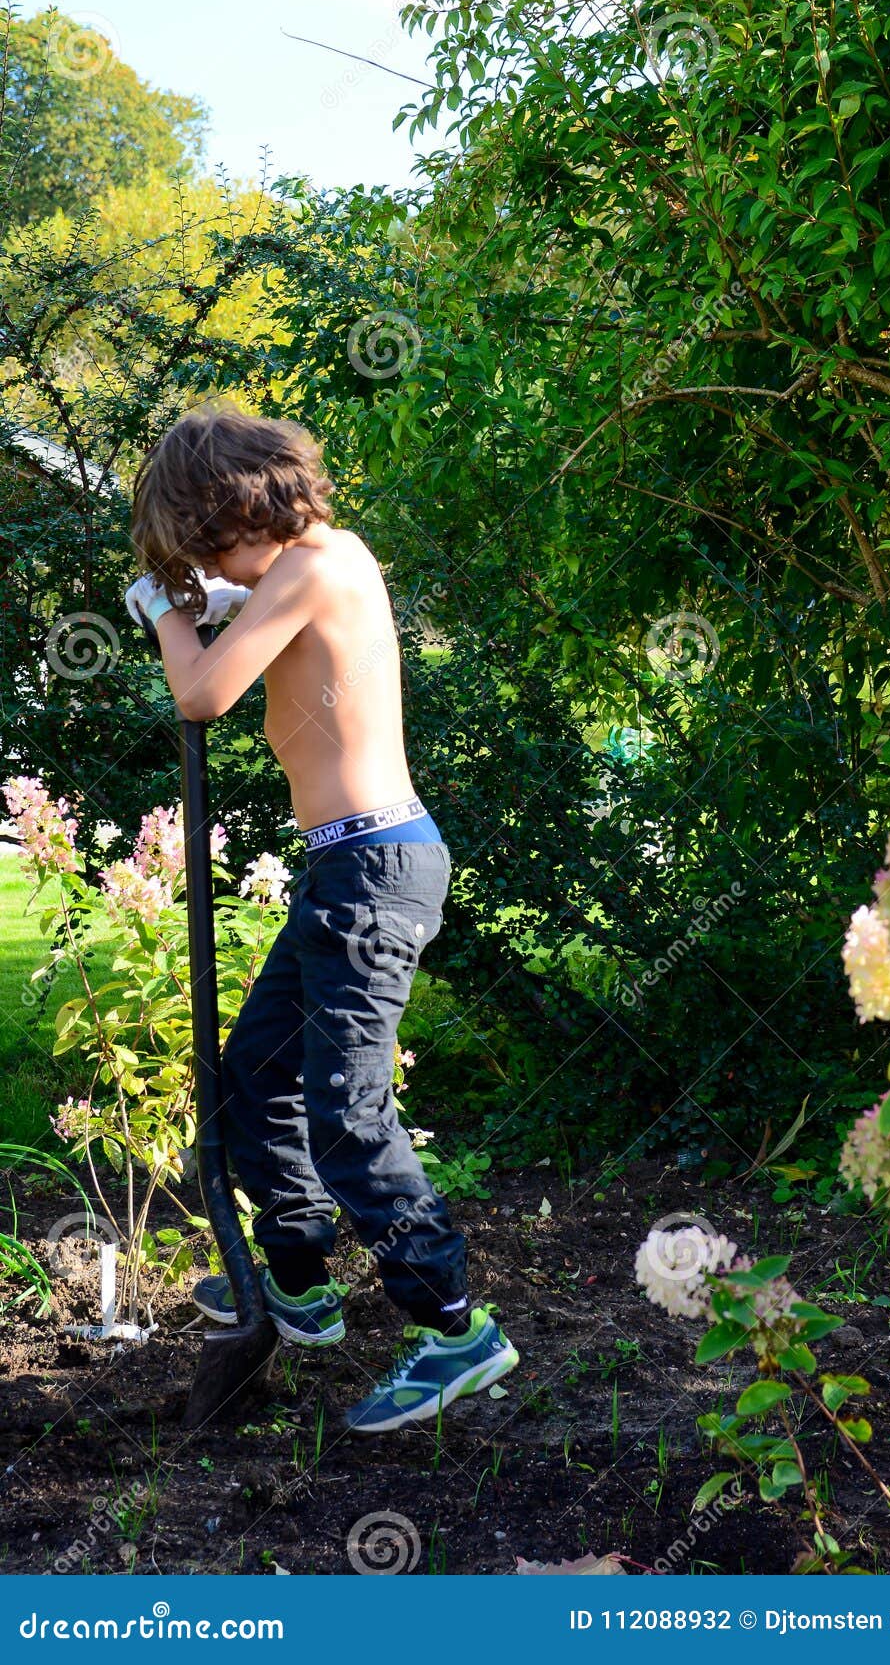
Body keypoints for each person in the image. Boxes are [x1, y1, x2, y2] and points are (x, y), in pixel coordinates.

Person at [123, 398, 518, 1433]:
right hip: (349, 867)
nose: (222, 568)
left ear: (240, 508)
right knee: (257, 1075)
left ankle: (457, 1331)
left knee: (347, 1109)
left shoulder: (309, 564)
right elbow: (255, 632)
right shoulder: (316, 563)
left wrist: (166, 613)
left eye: (214, 546)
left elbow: (202, 693)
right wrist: (215, 591)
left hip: (374, 869)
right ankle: (298, 1283)